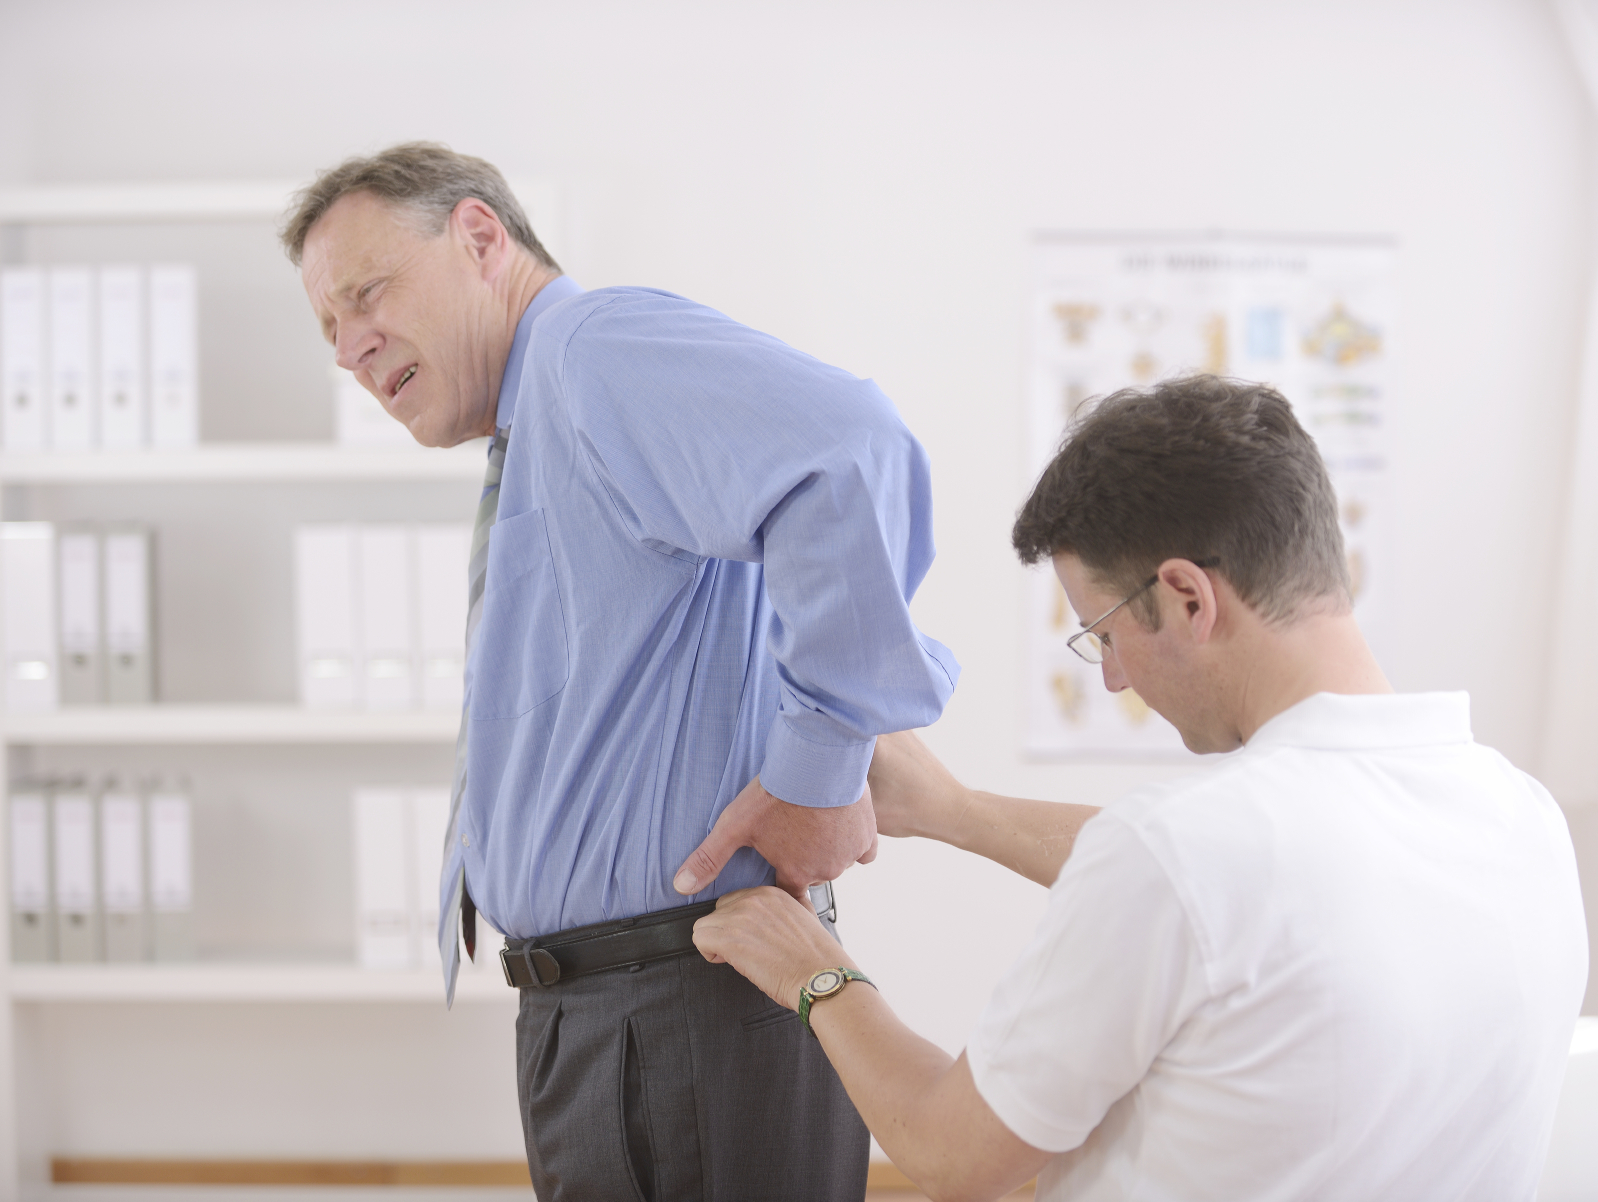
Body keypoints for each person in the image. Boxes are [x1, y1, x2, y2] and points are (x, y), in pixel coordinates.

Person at [693, 374, 1589, 1202]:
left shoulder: (1187, 850)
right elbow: (1240, 901)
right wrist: (956, 813)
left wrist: (816, 973)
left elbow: (950, 1151)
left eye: (1104, 634)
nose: (1116, 678)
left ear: (1189, 598)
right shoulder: (1520, 818)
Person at [281, 142, 958, 1200]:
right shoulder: (542, 421)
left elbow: (849, 448)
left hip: (681, 1010)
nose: (348, 346)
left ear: (478, 236)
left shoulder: (593, 349)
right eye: (329, 326)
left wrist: (819, 768)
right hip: (607, 1018)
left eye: (366, 294)